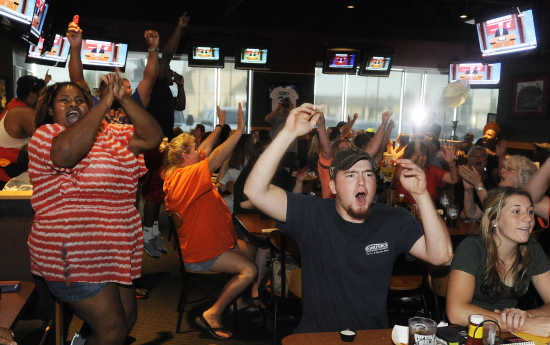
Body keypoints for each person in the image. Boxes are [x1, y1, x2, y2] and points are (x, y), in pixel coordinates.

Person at [244, 103, 452, 332]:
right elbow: (255, 191)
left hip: (370, 337)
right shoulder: (313, 213)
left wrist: (422, 195)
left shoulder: (394, 219)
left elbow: (441, 257)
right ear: (332, 186)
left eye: (367, 174)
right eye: (351, 175)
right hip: (318, 337)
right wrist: (288, 133)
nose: (361, 182)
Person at [27, 75, 162, 345]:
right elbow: (65, 154)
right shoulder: (46, 135)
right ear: (52, 110)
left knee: (126, 318)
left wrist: (123, 98)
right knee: (112, 329)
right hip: (74, 253)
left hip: (114, 251)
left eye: (80, 100)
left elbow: (152, 137)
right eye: (64, 101)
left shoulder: (112, 134)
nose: (74, 104)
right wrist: (103, 104)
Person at [162, 103, 256, 340]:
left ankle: (240, 298)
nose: (199, 151)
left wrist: (220, 126)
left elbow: (205, 150)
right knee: (249, 270)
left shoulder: (180, 171)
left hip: (211, 244)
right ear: (185, 156)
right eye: (193, 149)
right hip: (203, 254)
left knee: (251, 249)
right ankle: (212, 313)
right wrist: (237, 133)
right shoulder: (186, 177)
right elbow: (213, 158)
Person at [446, 187, 550, 337]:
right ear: (494, 219)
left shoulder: (531, 248)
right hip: (470, 334)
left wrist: (523, 316)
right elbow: (456, 312)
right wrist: (524, 325)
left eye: (530, 211)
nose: (528, 218)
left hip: (506, 335)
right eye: (516, 211)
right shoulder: (472, 248)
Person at [141, 13, 190, 257]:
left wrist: (180, 85)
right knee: (154, 195)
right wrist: (179, 28)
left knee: (160, 194)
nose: (167, 67)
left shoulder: (165, 85)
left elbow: (180, 106)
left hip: (164, 143)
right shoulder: (153, 81)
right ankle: (146, 235)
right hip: (153, 146)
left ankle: (153, 233)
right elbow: (168, 51)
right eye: (164, 64)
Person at [67, 18, 159, 124]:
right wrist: (75, 47)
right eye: (109, 85)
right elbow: (77, 79)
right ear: (100, 91)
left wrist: (153, 49)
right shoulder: (93, 105)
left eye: (117, 84)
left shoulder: (134, 105)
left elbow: (149, 79)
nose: (114, 89)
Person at [0, 74, 47, 189]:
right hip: (8, 178)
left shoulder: (12, 106)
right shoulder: (24, 114)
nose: (45, 100)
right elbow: (49, 141)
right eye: (42, 96)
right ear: (32, 95)